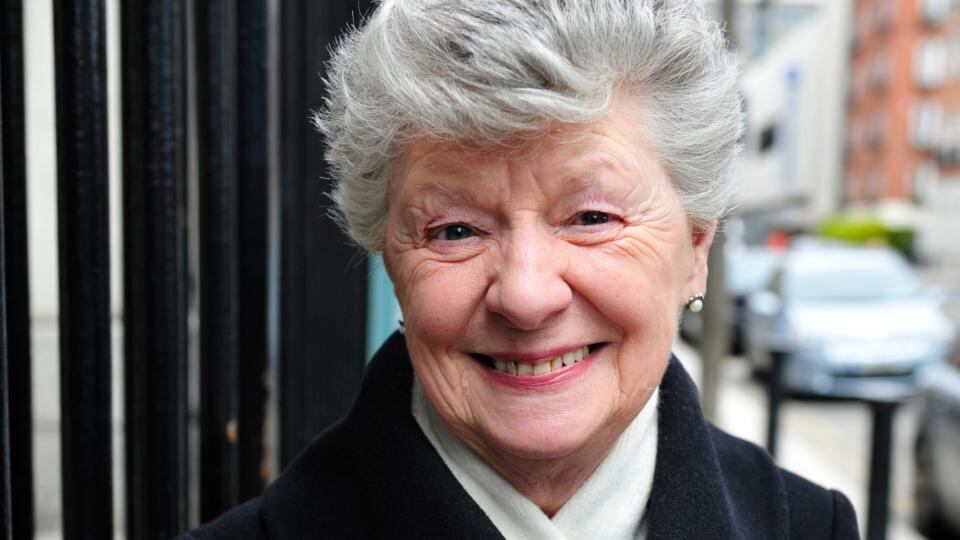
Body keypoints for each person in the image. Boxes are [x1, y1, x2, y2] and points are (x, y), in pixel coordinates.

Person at [184, 0, 859, 538]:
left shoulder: (811, 528)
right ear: (391, 261)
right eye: (455, 230)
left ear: (696, 251)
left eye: (592, 218)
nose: (527, 296)